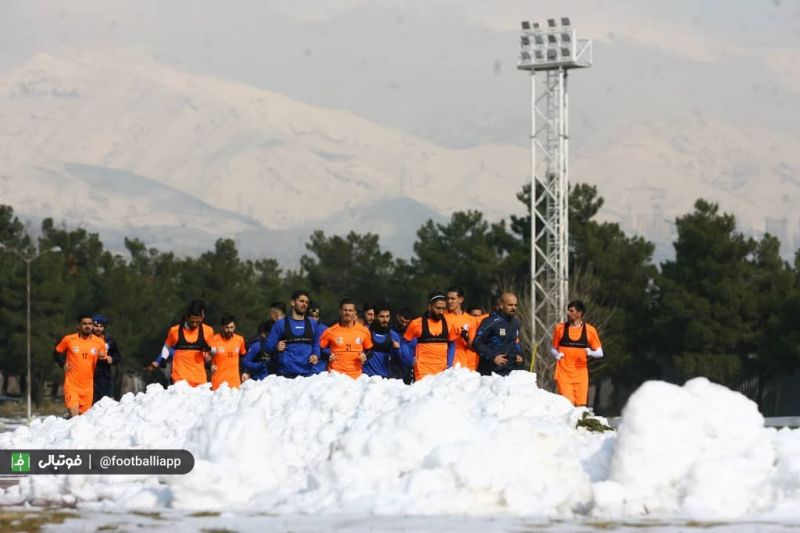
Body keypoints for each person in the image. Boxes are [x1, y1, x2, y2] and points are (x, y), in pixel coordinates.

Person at [149, 300, 215, 387]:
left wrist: (209, 351)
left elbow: (214, 350)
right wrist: (163, 358)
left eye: (198, 322)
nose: (195, 324)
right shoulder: (175, 330)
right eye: (192, 322)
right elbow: (167, 346)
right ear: (187, 317)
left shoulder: (208, 331)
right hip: (179, 379)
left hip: (199, 379)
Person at [53, 313, 108, 417]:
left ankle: (64, 429)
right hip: (72, 385)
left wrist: (102, 358)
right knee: (74, 416)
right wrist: (62, 364)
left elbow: (103, 362)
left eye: (90, 324)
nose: (87, 326)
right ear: (79, 326)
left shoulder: (99, 342)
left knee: (82, 420)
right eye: (84, 324)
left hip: (88, 388)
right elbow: (56, 352)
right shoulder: (69, 339)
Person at [550, 300, 603, 407]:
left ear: (579, 313)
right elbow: (553, 348)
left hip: (581, 376)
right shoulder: (559, 328)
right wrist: (556, 354)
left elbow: (600, 353)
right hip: (563, 375)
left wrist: (590, 352)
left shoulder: (590, 330)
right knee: (568, 406)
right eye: (568, 311)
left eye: (571, 311)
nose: (568, 313)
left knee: (580, 407)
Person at [264, 290, 321, 378]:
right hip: (286, 376)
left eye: (306, 302)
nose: (304, 304)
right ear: (293, 303)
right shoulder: (281, 324)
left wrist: (316, 355)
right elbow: (267, 346)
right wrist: (276, 347)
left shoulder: (313, 324)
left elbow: (316, 344)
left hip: (308, 375)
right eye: (301, 301)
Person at [403, 293, 457, 381]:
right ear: (429, 307)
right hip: (422, 371)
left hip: (442, 372)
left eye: (443, 308)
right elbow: (404, 342)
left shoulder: (449, 324)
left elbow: (451, 344)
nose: (441, 311)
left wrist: (449, 364)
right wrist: (409, 359)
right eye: (438, 308)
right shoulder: (416, 323)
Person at [473, 292, 524, 376]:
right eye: (510, 305)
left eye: (515, 305)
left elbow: (515, 342)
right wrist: (493, 357)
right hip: (490, 372)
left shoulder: (516, 323)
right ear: (501, 305)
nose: (513, 308)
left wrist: (519, 355)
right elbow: (477, 343)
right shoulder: (490, 322)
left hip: (509, 371)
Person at [320, 298, 373, 379]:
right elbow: (319, 349)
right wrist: (327, 355)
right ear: (340, 311)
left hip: (356, 377)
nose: (347, 313)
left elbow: (370, 350)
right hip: (335, 376)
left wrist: (364, 356)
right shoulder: (330, 331)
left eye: (350, 310)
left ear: (355, 312)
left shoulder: (364, 331)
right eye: (345, 310)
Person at [363, 304, 402, 378]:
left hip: (384, 378)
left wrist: (397, 350)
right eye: (382, 317)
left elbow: (398, 361)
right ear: (375, 316)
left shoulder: (393, 335)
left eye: (387, 316)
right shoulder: (365, 332)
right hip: (366, 377)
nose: (385, 320)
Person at [209, 314, 247, 390]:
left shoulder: (239, 339)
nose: (229, 330)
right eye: (226, 328)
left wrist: (245, 371)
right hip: (218, 384)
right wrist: (210, 366)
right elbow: (206, 358)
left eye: (231, 327)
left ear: (234, 327)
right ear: (222, 327)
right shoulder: (213, 340)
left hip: (235, 383)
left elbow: (243, 357)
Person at [445, 287, 479, 371]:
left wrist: (466, 337)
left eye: (452, 299)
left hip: (462, 364)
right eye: (448, 298)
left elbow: (473, 347)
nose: (449, 301)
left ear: (460, 300)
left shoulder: (470, 320)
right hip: (443, 363)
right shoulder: (442, 317)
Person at [91, 313, 122, 404]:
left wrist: (112, 359)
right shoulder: (86, 338)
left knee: (104, 404)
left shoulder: (109, 340)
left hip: (104, 377)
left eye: (101, 326)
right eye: (96, 326)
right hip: (88, 376)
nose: (98, 329)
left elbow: (118, 356)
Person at [308, 302, 329, 374]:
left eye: (316, 317)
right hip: (303, 366)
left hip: (320, 368)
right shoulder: (299, 328)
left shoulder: (326, 330)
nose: (314, 319)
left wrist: (320, 350)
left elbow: (332, 349)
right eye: (311, 316)